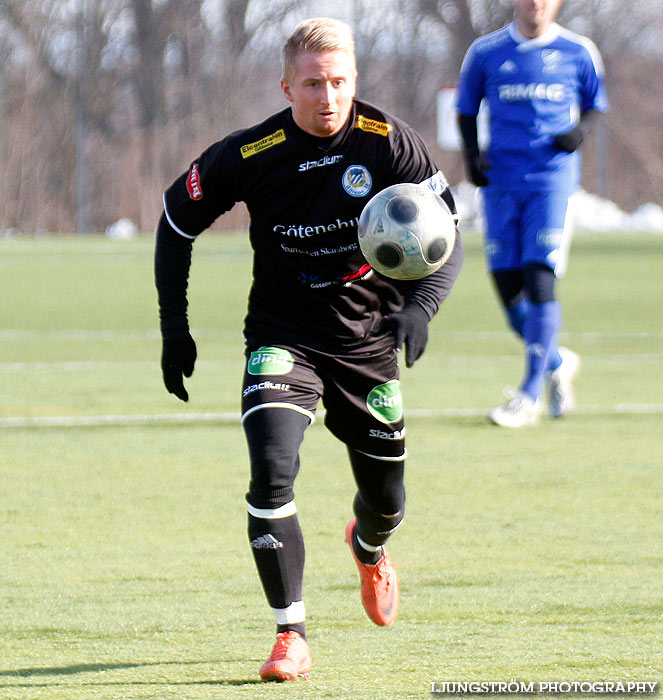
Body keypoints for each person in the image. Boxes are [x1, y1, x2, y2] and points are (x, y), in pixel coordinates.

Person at [155, 17, 464, 682]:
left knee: (385, 498)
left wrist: (420, 307)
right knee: (271, 468)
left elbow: (448, 234)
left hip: (366, 339)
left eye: (341, 82)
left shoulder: (389, 142)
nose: (329, 96)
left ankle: (370, 545)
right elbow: (175, 222)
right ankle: (289, 633)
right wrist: (173, 326)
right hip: (282, 332)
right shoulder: (250, 153)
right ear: (287, 86)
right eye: (314, 83)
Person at [456, 0, 608, 427]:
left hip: (551, 182)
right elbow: (467, 109)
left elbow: (596, 102)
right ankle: (556, 362)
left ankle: (528, 395)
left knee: (540, 277)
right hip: (501, 182)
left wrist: (580, 130)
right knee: (507, 289)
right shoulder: (486, 52)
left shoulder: (579, 51)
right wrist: (471, 156)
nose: (536, 4)